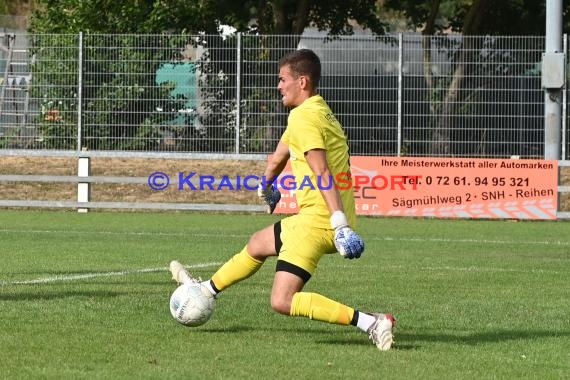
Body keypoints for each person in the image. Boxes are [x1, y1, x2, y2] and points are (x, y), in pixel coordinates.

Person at [169, 48, 395, 351]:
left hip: (320, 220)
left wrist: (338, 223)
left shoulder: (304, 118)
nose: (278, 85)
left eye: (282, 79)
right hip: (318, 217)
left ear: (302, 81)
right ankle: (207, 289)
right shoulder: (316, 110)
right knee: (258, 244)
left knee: (282, 300)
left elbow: (322, 171)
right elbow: (278, 157)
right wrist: (267, 186)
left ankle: (371, 322)